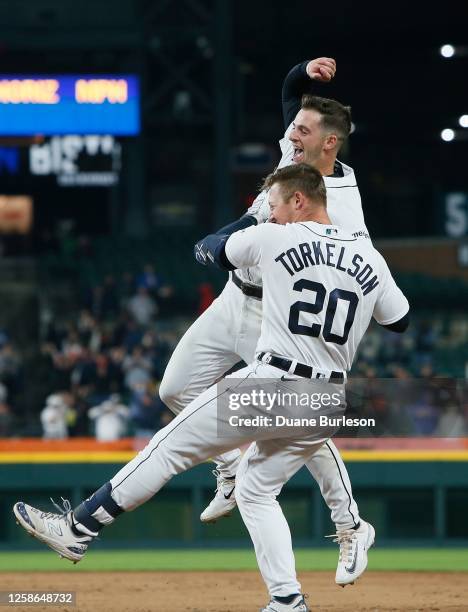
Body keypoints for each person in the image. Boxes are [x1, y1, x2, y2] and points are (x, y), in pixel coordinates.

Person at [13, 165, 409, 611]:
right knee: (256, 492)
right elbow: (399, 320)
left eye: (274, 205)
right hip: (327, 401)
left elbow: (210, 250)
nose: (269, 213)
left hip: (274, 384)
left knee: (166, 449)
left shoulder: (276, 237)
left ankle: (79, 528)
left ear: (299, 200)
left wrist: (250, 226)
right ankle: (287, 600)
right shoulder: (369, 257)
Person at [160, 56, 372, 584]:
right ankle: (229, 470)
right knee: (175, 389)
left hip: (277, 317)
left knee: (301, 419)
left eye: (302, 129)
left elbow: (359, 277)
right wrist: (304, 71)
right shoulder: (298, 155)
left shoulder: (343, 205)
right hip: (234, 298)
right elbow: (290, 94)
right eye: (293, 127)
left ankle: (351, 525)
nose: (291, 133)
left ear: (330, 143)